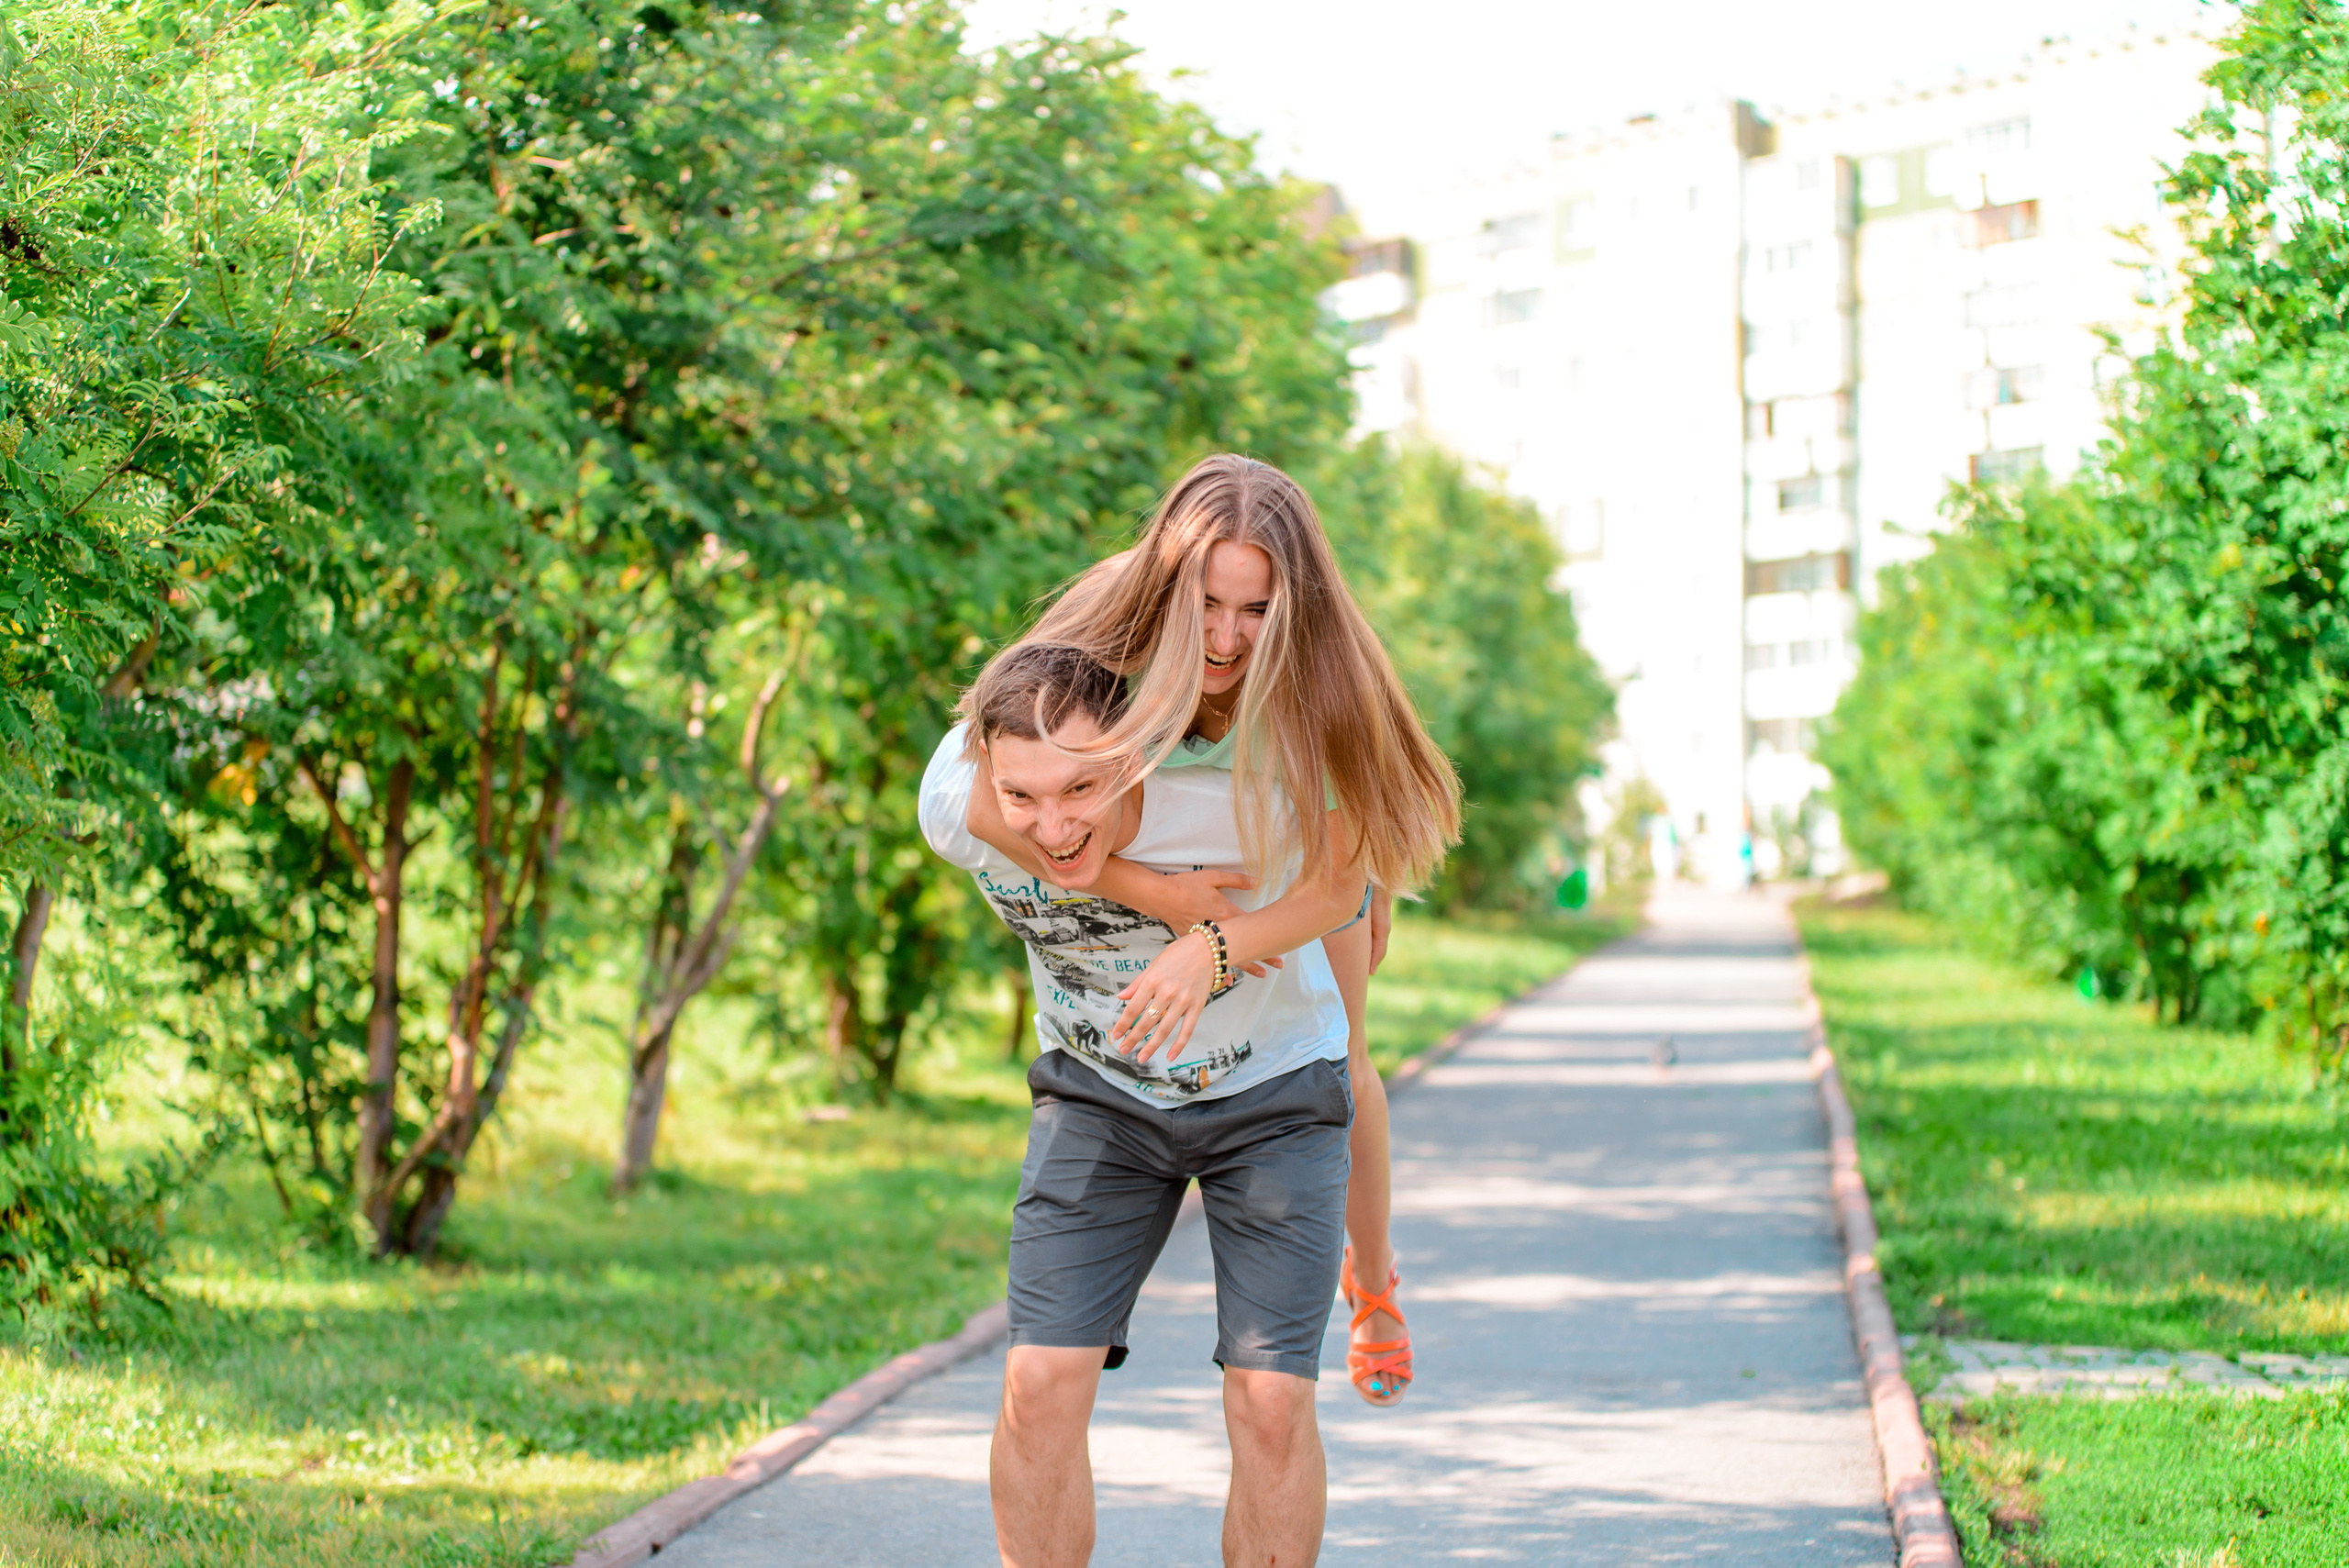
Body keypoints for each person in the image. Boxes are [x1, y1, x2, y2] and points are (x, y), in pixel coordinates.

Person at [967, 452, 1456, 1408]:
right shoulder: (1110, 617)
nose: (1228, 635)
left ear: (1293, 602)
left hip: (1305, 836)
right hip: (1183, 849)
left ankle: (1372, 1278)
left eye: (1256, 608)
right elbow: (985, 804)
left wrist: (1219, 943)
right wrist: (1159, 896)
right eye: (1208, 603)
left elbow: (1331, 885)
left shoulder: (1323, 672)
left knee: (1343, 1051)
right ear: (1166, 581)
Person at [920, 641, 1365, 1568]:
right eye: (1023, 797)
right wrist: (1157, 896)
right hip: (1099, 1091)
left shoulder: (1236, 805)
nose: (1049, 826)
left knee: (1271, 1397)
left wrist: (1212, 943)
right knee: (1037, 1379)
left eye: (1080, 790)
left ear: (1136, 756)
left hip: (1273, 1092)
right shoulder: (957, 804)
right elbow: (1006, 812)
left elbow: (1352, 885)